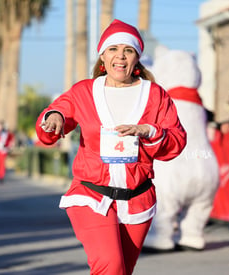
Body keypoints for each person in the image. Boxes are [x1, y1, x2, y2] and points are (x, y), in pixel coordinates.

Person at [35, 19, 186, 275]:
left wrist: (148, 130)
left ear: (137, 57)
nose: (120, 56)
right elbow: (57, 114)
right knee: (110, 265)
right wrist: (54, 117)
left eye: (128, 50)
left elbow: (176, 142)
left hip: (137, 200)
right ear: (102, 56)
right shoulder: (85, 91)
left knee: (122, 270)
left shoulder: (156, 95)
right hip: (91, 196)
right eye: (113, 49)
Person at [142, 46, 219, 252]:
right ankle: (193, 235)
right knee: (201, 205)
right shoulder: (199, 106)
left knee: (164, 200)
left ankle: (161, 236)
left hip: (175, 166)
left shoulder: (165, 102)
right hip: (205, 163)